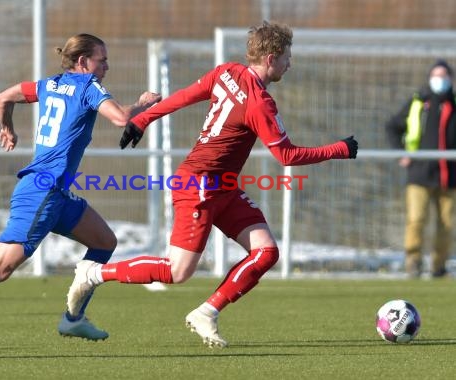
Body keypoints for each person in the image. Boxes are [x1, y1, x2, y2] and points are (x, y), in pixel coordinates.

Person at [65, 21, 358, 348]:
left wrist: (143, 119)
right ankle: (93, 273)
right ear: (272, 58)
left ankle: (207, 312)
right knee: (178, 272)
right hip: (199, 186)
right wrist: (339, 149)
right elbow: (286, 156)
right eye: (288, 57)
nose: (290, 64)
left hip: (223, 187)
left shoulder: (226, 72)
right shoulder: (260, 103)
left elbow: (184, 98)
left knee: (266, 252)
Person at [0, 33, 161, 347]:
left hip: (54, 193)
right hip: (43, 191)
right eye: (102, 59)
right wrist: (143, 104)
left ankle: (73, 319)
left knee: (104, 241)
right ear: (83, 62)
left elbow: (4, 97)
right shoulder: (87, 85)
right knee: (0, 268)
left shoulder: (48, 84)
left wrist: (7, 128)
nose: (106, 66)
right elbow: (122, 118)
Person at [386, 59, 456, 279]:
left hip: (450, 176)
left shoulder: (454, 103)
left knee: (446, 224)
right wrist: (402, 152)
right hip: (420, 174)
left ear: (451, 79)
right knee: (416, 219)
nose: (440, 80)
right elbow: (392, 126)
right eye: (436, 75)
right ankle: (413, 263)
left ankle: (439, 266)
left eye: (444, 76)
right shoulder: (418, 102)